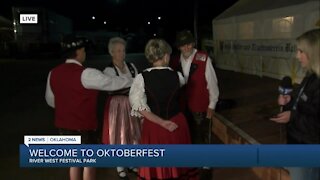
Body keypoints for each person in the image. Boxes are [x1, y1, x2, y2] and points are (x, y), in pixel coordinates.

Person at [45, 35, 133, 180]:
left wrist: (68, 106)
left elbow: (51, 100)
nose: (85, 53)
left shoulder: (53, 73)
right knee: (89, 164)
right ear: (78, 52)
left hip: (63, 128)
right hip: (84, 128)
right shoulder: (86, 74)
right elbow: (112, 83)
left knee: (73, 162)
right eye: (83, 50)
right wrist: (136, 80)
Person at [129, 39, 197, 180]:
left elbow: (139, 107)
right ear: (166, 56)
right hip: (177, 123)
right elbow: (183, 84)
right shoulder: (177, 76)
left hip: (154, 126)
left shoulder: (141, 78)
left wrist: (161, 122)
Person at [270, 28, 320, 180]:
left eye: (300, 51)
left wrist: (293, 116)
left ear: (313, 53)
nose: (296, 56)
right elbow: (305, 107)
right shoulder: (310, 76)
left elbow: (316, 125)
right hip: (296, 144)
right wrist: (289, 102)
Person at [170, 29, 219, 145]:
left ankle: (205, 161)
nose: (186, 47)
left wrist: (212, 105)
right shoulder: (175, 61)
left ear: (193, 43)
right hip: (182, 107)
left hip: (200, 106)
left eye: (188, 44)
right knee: (186, 136)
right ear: (178, 47)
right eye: (182, 45)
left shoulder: (203, 59)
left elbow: (212, 83)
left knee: (202, 137)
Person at [101, 37, 141, 179]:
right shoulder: (108, 70)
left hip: (132, 103)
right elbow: (113, 86)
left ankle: (131, 162)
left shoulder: (131, 66)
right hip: (117, 105)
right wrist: (131, 82)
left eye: (123, 50)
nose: (122, 53)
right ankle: (120, 164)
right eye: (118, 51)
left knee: (133, 133)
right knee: (119, 134)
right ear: (111, 52)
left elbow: (138, 84)